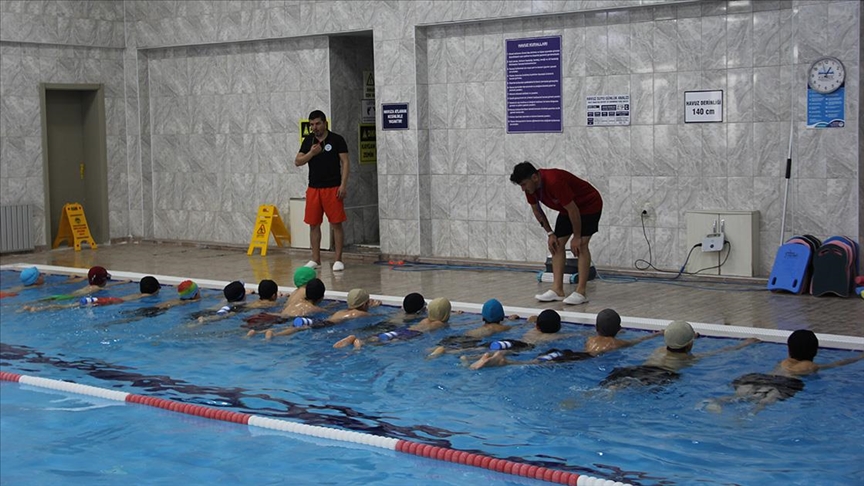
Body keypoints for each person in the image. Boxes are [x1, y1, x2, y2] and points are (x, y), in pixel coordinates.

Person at [510, 161, 603, 305]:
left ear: (534, 177)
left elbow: (574, 210)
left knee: (581, 245)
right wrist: (550, 233)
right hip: (568, 209)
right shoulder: (531, 189)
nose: (523, 189)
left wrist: (577, 236)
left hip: (589, 204)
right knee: (556, 245)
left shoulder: (554, 181)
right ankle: (557, 290)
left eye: (523, 184)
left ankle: (581, 292)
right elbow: (537, 211)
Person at [705, 330, 864, 413]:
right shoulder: (810, 366)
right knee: (763, 403)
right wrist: (857, 358)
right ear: (814, 352)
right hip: (781, 384)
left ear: (789, 350)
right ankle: (746, 417)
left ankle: (717, 402)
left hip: (758, 378)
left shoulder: (783, 362)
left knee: (740, 396)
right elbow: (836, 364)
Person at [469, 308, 662, 369]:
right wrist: (658, 335)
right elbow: (638, 341)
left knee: (538, 360)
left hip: (571, 353)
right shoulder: (617, 343)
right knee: (535, 363)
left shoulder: (591, 340)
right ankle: (506, 362)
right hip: (580, 358)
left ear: (596, 328)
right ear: (618, 329)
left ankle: (501, 359)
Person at [600, 320, 758, 390]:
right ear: (690, 344)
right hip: (659, 376)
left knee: (620, 384)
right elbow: (719, 351)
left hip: (637, 369)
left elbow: (675, 339)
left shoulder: (659, 350)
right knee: (636, 387)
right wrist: (744, 344)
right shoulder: (689, 359)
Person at [295, 110, 349, 272]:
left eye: (317, 123)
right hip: (314, 188)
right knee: (313, 224)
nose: (314, 127)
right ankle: (315, 259)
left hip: (332, 188)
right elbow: (298, 161)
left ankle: (338, 259)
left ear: (325, 123)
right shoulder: (308, 141)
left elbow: (345, 163)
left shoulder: (337, 139)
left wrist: (343, 185)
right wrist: (312, 153)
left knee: (336, 224)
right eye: (312, 124)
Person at [334, 297, 452, 349]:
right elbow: (451, 326)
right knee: (382, 342)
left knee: (379, 338)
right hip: (409, 334)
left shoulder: (426, 320)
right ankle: (361, 342)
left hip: (402, 331)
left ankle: (357, 339)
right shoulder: (439, 324)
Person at [265, 287, 380, 340]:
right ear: (364, 304)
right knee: (300, 328)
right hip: (326, 325)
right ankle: (275, 335)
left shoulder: (342, 311)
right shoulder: (358, 314)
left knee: (296, 327)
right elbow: (375, 317)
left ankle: (271, 333)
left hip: (324, 322)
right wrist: (375, 307)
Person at [427, 298, 518, 357]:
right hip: (473, 341)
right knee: (459, 351)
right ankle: (444, 352)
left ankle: (432, 350)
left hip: (463, 336)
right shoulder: (504, 328)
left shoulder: (481, 327)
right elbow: (516, 327)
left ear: (483, 317)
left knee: (448, 346)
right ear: (502, 317)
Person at [244, 278, 327, 336]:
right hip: (287, 319)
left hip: (279, 315)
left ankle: (256, 332)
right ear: (321, 297)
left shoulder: (297, 301)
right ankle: (275, 335)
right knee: (292, 328)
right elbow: (328, 314)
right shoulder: (314, 308)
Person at [103, 280, 202, 326]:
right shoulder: (188, 301)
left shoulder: (179, 299)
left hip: (152, 308)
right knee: (133, 319)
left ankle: (110, 323)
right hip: (157, 311)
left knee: (132, 316)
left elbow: (187, 293)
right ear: (194, 294)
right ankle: (110, 324)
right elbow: (196, 299)